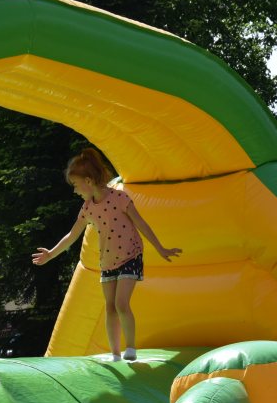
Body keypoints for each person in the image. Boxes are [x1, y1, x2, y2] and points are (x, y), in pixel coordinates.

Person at [32, 147, 182, 361]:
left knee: (121, 304)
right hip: (108, 262)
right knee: (110, 307)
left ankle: (130, 348)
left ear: (89, 181)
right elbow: (72, 235)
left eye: (75, 185)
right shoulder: (87, 208)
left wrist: (160, 248)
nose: (75, 191)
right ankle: (115, 354)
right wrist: (51, 254)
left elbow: (141, 223)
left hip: (130, 256)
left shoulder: (120, 198)